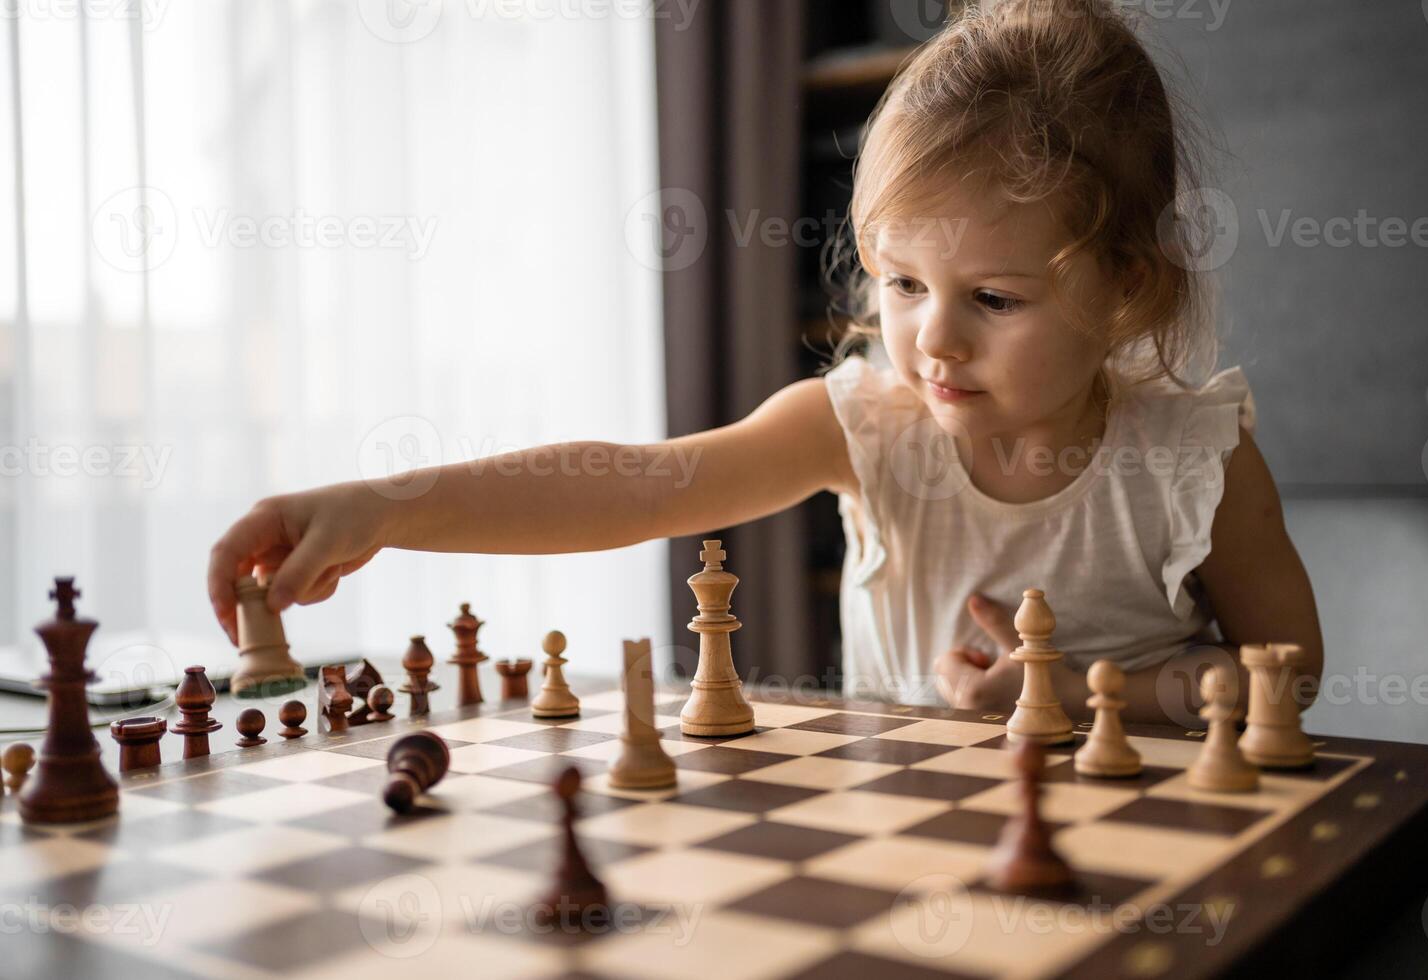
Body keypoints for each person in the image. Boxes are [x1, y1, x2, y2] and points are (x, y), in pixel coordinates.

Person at [208, 0, 1322, 724]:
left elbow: (1291, 674)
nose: (934, 336)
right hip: (904, 855)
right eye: (900, 283)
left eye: (993, 297)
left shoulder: (1192, 462)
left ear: (1127, 286)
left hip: (1146, 859)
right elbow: (640, 480)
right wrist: (383, 502)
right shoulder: (867, 424)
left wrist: (1081, 691)